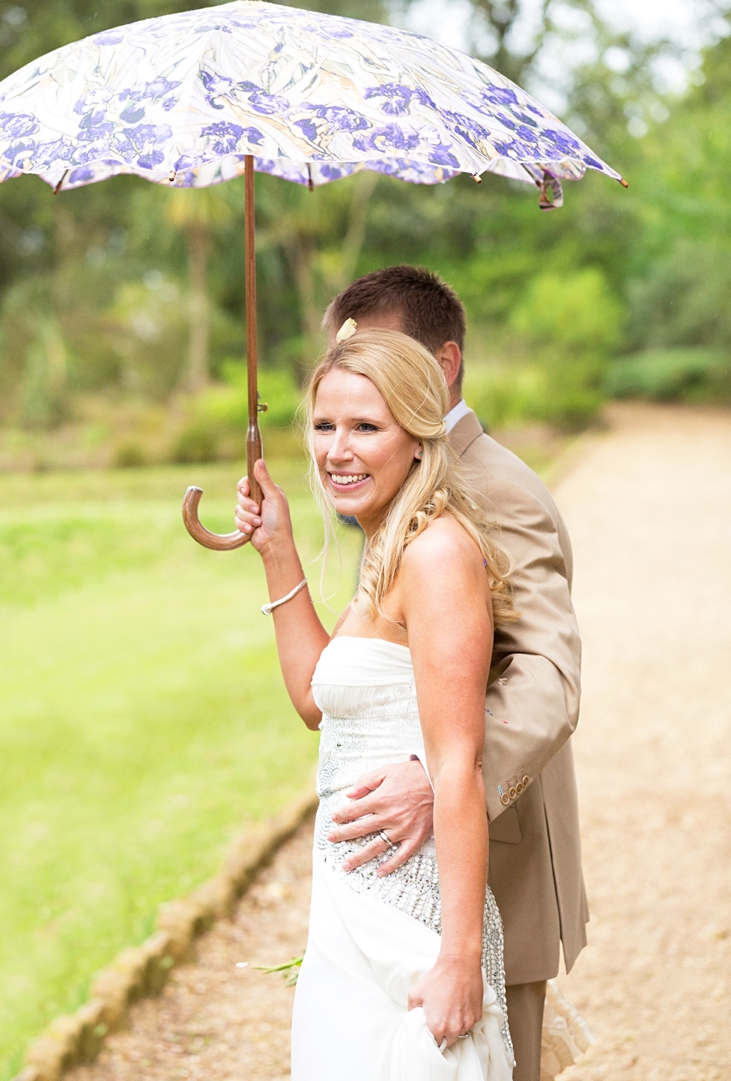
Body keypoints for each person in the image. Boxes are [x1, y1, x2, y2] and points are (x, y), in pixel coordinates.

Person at [238, 267, 586, 1081]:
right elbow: (331, 693)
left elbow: (549, 675)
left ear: (440, 367)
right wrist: (278, 549)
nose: (340, 442)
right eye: (326, 419)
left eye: (369, 411)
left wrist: (435, 769)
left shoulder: (492, 493)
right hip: (368, 884)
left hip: (467, 861)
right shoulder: (390, 500)